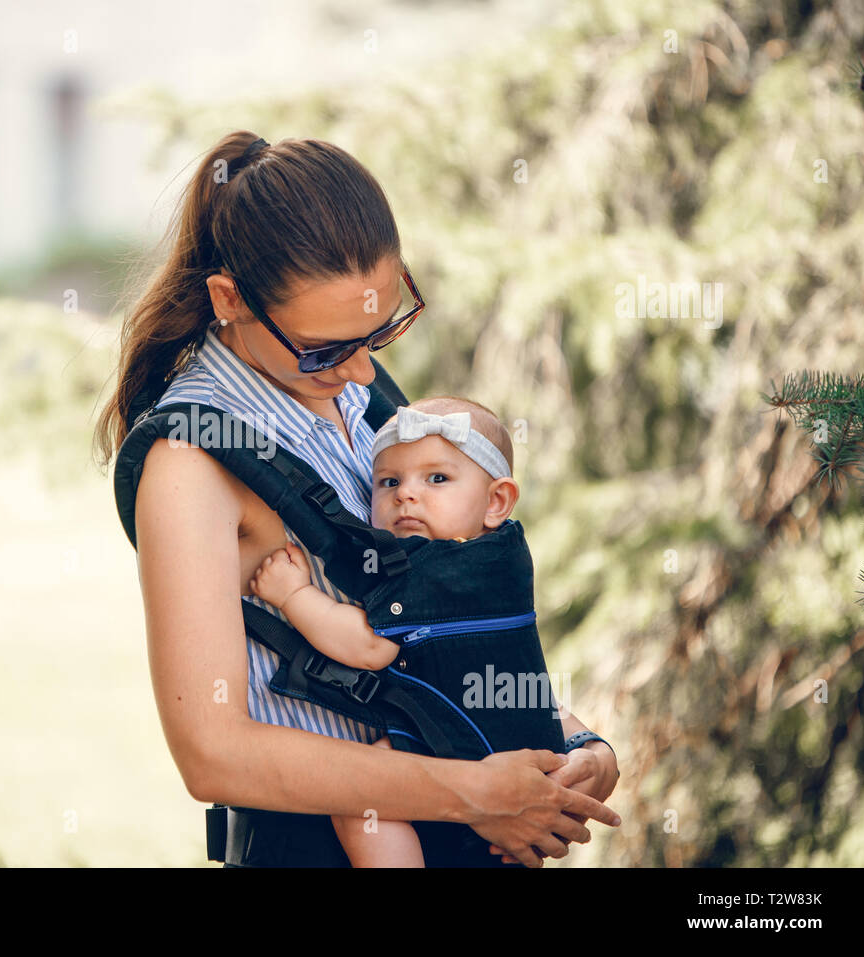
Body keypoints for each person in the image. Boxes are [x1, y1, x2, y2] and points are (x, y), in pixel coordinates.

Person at [93, 131, 620, 867]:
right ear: (229, 301)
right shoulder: (189, 462)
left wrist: (572, 744)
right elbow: (212, 753)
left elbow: (431, 634)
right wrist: (472, 793)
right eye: (326, 347)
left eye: (380, 330)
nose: (365, 371)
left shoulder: (358, 400)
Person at [251, 394, 611, 865]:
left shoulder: (439, 566)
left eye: (436, 478)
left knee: (359, 800)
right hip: (516, 748)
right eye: (388, 481)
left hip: (471, 754)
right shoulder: (502, 559)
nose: (406, 494)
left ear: (496, 500)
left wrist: (293, 596)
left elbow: (369, 647)